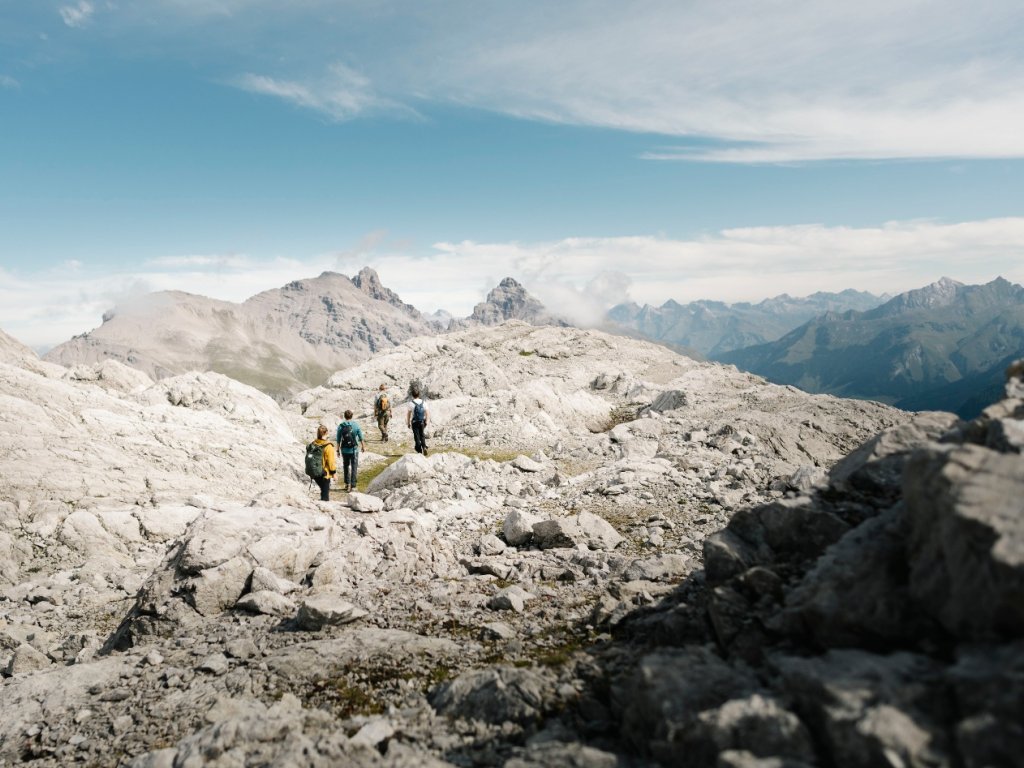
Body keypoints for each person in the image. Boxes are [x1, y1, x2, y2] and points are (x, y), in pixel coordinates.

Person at [336, 409, 365, 492]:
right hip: (354, 450)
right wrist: (363, 447)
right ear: (352, 416)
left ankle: (347, 484)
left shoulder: (341, 426)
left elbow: (338, 439)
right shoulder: (356, 425)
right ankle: (353, 486)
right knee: (354, 467)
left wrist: (337, 450)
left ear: (344, 416)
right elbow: (361, 437)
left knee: (346, 466)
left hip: (344, 450)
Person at [309, 425, 337, 501]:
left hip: (314, 472)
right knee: (325, 495)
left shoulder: (314, 443)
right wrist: (334, 473)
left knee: (323, 491)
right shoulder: (328, 446)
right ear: (326, 433)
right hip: (324, 473)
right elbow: (331, 461)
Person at [407, 386, 429, 456]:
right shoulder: (423, 402)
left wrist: (408, 423)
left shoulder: (411, 403)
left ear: (412, 395)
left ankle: (419, 451)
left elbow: (408, 414)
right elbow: (427, 413)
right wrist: (427, 421)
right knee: (422, 434)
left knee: (416, 436)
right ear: (419, 394)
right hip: (422, 421)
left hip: (414, 422)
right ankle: (424, 447)